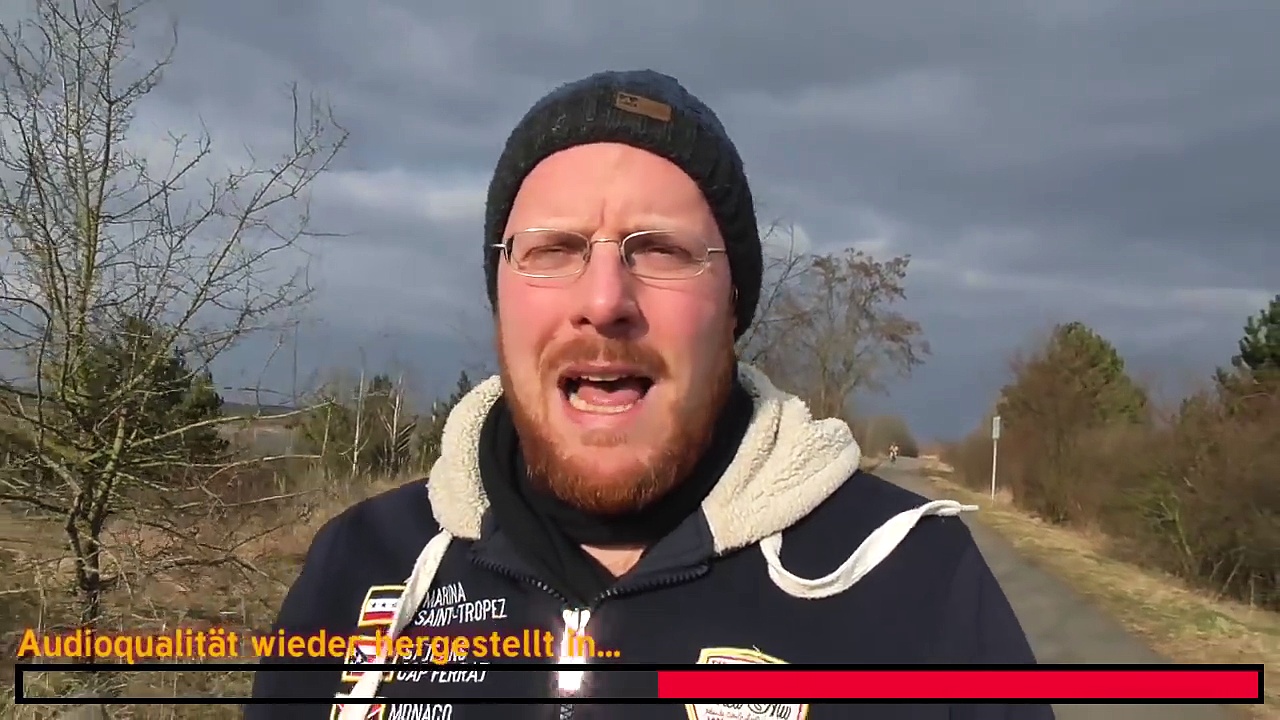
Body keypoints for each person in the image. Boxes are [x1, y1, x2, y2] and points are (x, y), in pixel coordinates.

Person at [248, 69, 1054, 720]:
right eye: (553, 248)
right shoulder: (359, 567)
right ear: (499, 295)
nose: (604, 300)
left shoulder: (915, 583)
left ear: (733, 306)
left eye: (662, 250)